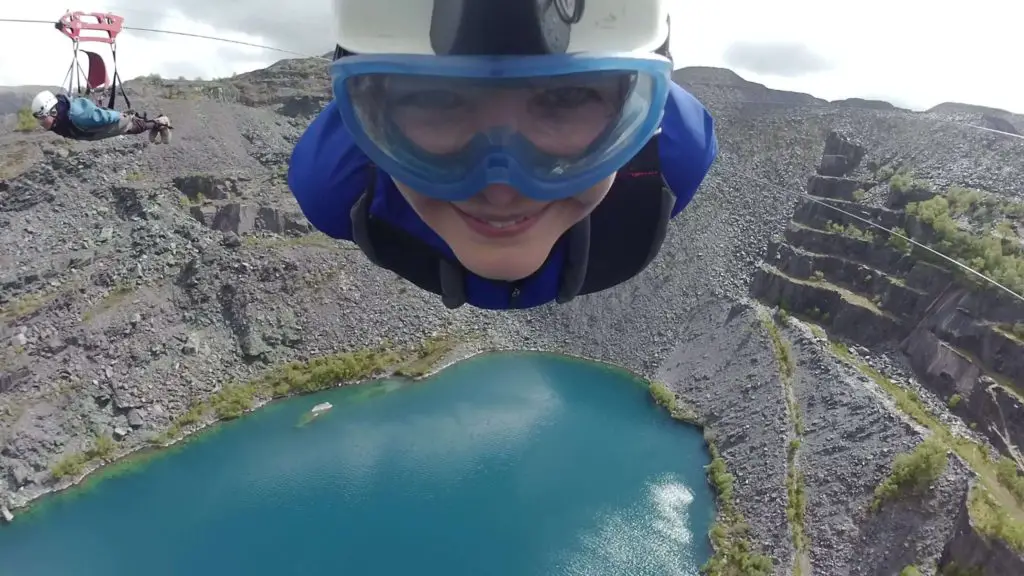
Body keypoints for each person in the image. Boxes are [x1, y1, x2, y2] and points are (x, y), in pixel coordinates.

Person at [288, 0, 718, 310]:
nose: (499, 189)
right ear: (369, 121)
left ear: (637, 118)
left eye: (567, 97)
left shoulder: (673, 155)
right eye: (435, 98)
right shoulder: (336, 186)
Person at [29, 90, 172, 144]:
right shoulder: (58, 120)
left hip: (107, 123)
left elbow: (103, 116)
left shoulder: (80, 116)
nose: (40, 122)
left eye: (42, 118)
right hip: (94, 130)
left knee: (132, 126)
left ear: (53, 112)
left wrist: (122, 116)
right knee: (132, 128)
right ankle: (156, 123)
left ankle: (161, 122)